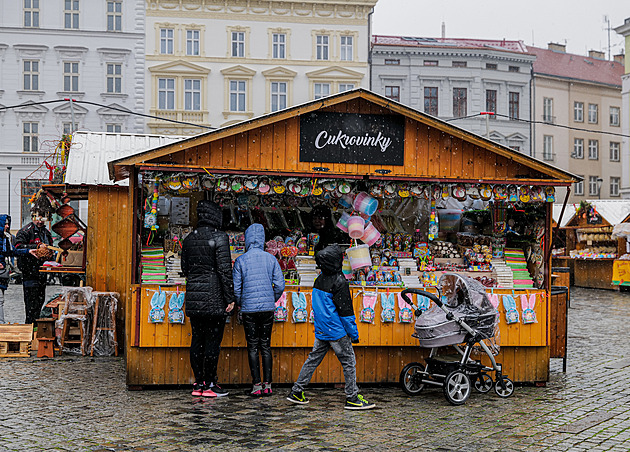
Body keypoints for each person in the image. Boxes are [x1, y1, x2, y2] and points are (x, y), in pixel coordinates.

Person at [287, 244, 375, 410]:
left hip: (322, 329)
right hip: (337, 331)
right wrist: (354, 334)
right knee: (349, 361)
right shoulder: (339, 281)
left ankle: (297, 391)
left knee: (313, 359)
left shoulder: (319, 279)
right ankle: (352, 397)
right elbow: (346, 313)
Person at [181, 200, 236, 398]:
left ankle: (198, 384)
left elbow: (184, 269)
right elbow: (224, 270)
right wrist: (230, 297)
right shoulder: (220, 237)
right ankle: (211, 383)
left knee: (197, 340)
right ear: (216, 216)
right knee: (213, 342)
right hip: (214, 298)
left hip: (194, 298)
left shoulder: (188, 239)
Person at [233, 223, 285, 397]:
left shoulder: (241, 260)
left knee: (253, 346)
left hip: (249, 309)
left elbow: (236, 288)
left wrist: (242, 303)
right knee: (265, 345)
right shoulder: (271, 259)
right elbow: (279, 285)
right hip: (267, 310)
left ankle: (256, 384)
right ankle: (268, 384)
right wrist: (272, 298)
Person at [15, 213, 53, 325]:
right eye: (38, 219)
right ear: (32, 217)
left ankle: (36, 328)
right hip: (29, 272)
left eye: (42, 219)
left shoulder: (46, 233)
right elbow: (17, 247)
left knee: (39, 302)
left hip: (42, 272)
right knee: (31, 304)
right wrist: (35, 248)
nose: (40, 221)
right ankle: (30, 328)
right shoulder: (25, 231)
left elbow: (50, 247)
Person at [0, 215, 31, 324]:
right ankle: (1, 325)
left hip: (2, 274)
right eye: (5, 224)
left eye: (8, 224)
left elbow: (12, 252)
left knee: (1, 300)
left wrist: (28, 251)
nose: (7, 226)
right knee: (0, 300)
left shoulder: (5, 238)